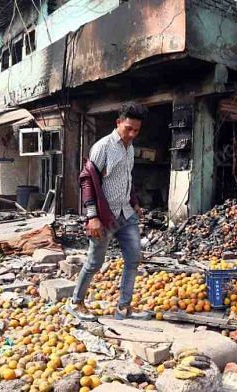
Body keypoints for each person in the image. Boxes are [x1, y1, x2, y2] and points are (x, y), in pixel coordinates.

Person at [66, 102, 149, 321]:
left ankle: (123, 308)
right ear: (118, 123)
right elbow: (87, 180)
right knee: (95, 262)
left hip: (126, 213)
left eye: (136, 130)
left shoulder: (129, 148)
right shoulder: (103, 147)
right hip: (104, 217)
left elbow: (126, 179)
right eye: (128, 128)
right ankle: (76, 302)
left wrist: (135, 202)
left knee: (133, 258)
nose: (132, 134)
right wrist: (92, 216)